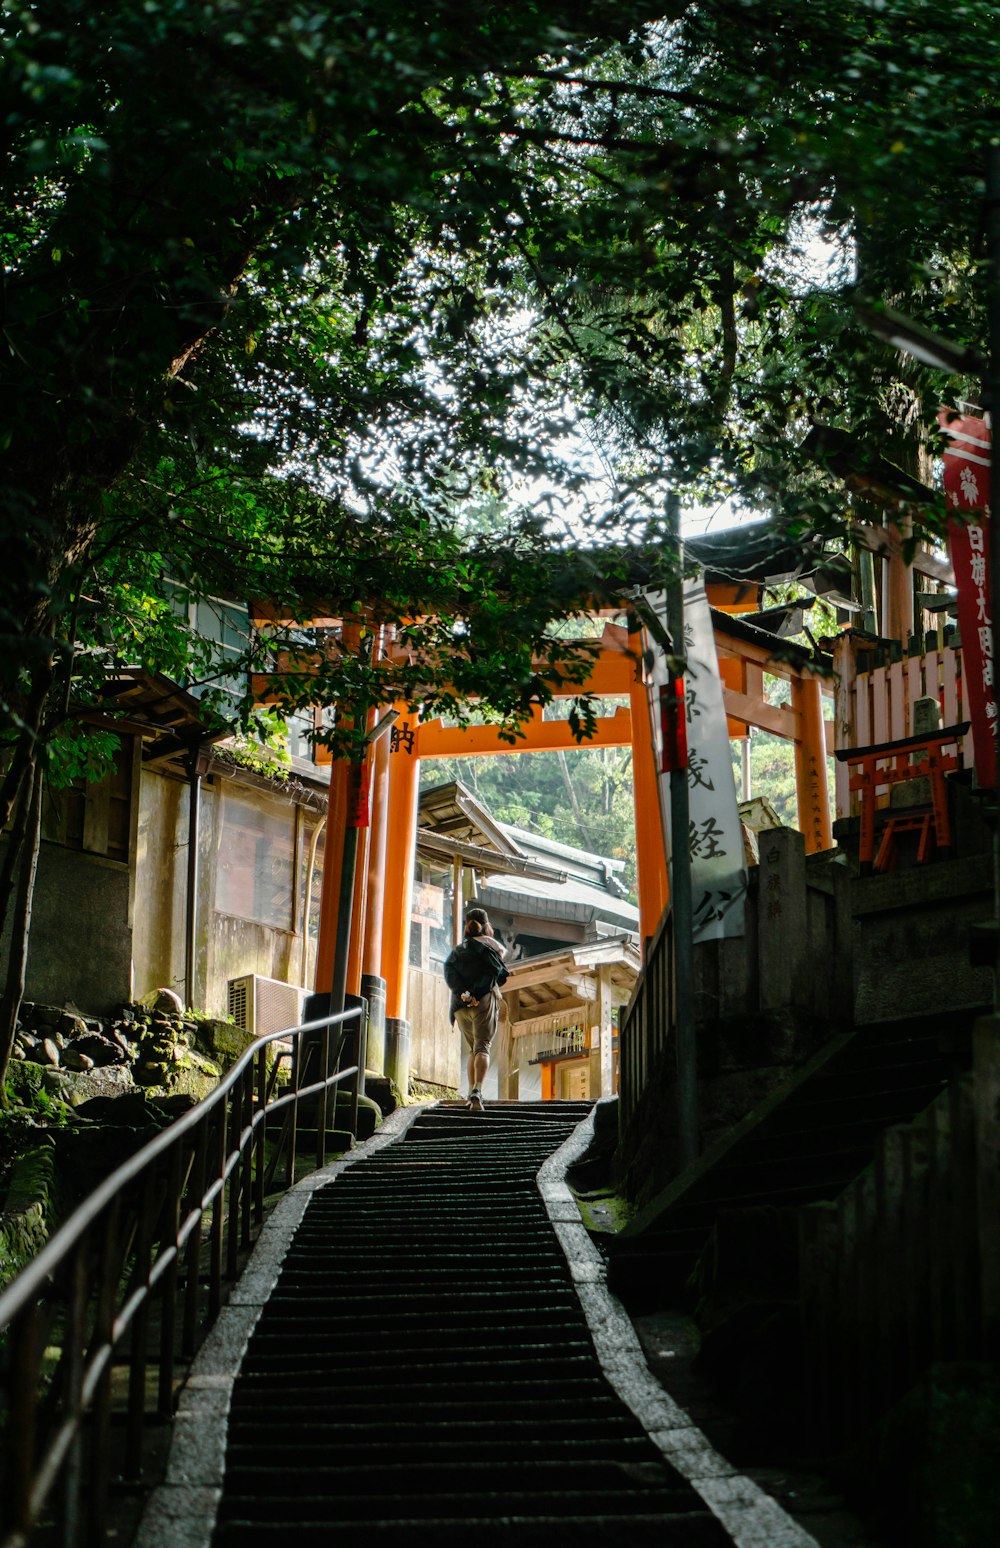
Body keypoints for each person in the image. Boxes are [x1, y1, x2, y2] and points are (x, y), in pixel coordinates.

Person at [443, 907, 508, 1112]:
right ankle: (477, 1091)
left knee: (473, 1049)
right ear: (487, 926)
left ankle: (471, 1093)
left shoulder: (457, 950)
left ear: (467, 925)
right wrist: (477, 993)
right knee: (482, 1047)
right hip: (483, 1002)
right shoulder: (490, 947)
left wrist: (464, 994)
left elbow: (449, 972)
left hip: (460, 1006)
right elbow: (495, 971)